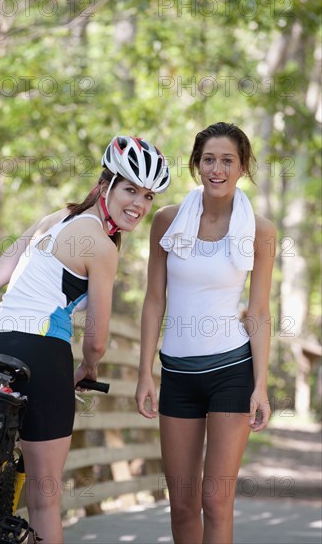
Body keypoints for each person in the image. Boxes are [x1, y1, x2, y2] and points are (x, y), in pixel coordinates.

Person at [0, 135, 170, 543]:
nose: (139, 205)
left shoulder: (53, 219)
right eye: (130, 189)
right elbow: (96, 338)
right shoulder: (103, 247)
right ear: (105, 184)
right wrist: (88, 368)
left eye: (148, 196)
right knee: (44, 497)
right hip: (45, 359)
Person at [135, 122, 276, 544]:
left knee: (216, 502)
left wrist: (262, 386)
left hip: (232, 372)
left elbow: (259, 311)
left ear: (242, 166)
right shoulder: (166, 221)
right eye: (209, 160)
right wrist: (145, 372)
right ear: (197, 166)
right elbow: (153, 300)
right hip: (177, 374)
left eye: (227, 160)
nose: (217, 169)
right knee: (181, 505)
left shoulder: (261, 231)